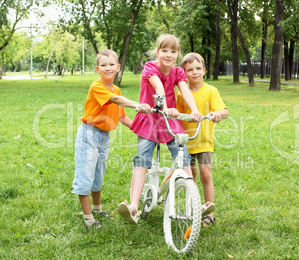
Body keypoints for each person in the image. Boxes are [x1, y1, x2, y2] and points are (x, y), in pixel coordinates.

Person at [118, 34, 213, 225]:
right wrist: (163, 106)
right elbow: (158, 85)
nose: (168, 55)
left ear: (178, 54)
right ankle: (134, 207)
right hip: (150, 118)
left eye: (173, 51)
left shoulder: (178, 72)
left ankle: (194, 205)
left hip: (169, 120)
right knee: (142, 160)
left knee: (184, 157)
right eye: (164, 50)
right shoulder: (150, 67)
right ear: (157, 52)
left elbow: (184, 90)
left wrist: (195, 111)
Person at [72, 49, 151, 228]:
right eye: (103, 65)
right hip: (89, 135)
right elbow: (115, 100)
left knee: (98, 175)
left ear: (118, 67)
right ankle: (88, 220)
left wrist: (141, 131)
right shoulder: (97, 86)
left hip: (103, 137)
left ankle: (98, 209)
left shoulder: (116, 88)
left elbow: (121, 117)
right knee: (86, 176)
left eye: (111, 65)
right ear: (97, 69)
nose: (107, 68)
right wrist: (137, 105)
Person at [176, 52, 229, 226]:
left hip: (204, 142)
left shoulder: (211, 91)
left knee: (206, 175)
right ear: (184, 73)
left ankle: (209, 213)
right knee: (191, 177)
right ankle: (194, 207)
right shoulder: (181, 94)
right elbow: (177, 116)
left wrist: (216, 113)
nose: (194, 72)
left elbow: (225, 111)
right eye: (190, 70)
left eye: (198, 68)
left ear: (204, 70)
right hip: (186, 143)